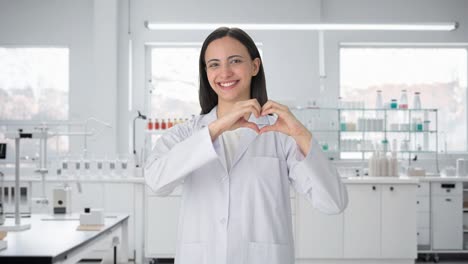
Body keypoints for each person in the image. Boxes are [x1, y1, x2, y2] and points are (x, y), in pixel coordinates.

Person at [145, 27, 348, 264]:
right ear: (206, 73)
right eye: (214, 64)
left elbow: (333, 202)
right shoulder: (188, 133)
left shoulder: (279, 134)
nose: (225, 72)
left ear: (254, 66)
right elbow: (156, 183)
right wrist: (215, 129)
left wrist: (301, 134)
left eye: (235, 61)